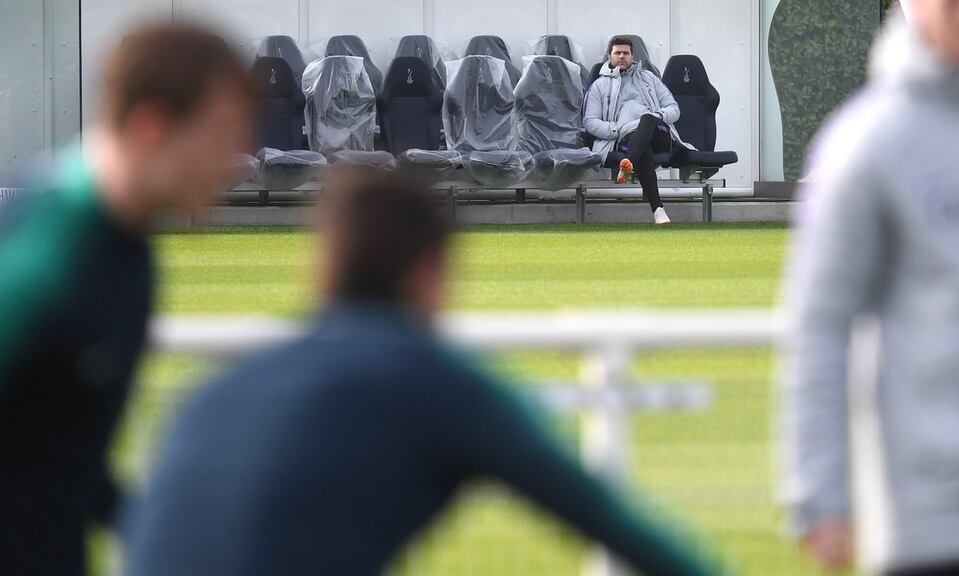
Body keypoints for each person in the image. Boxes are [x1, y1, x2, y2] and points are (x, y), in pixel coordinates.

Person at [126, 167, 724, 576]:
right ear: (428, 273)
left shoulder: (216, 385)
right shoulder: (433, 382)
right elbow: (605, 520)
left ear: (322, 270)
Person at [781, 1, 959, 575]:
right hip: (931, 522)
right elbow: (820, 326)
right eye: (955, 3)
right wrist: (821, 496)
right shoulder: (871, 142)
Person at [0, 22, 252, 576]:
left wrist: (157, 530)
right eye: (223, 133)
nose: (236, 160)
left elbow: (61, 461)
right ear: (152, 127)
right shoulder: (45, 251)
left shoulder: (130, 255)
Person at [584, 35, 693, 226]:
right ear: (609, 56)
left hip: (659, 133)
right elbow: (590, 121)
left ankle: (628, 163)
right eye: (617, 53)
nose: (622, 56)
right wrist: (617, 129)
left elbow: (673, 108)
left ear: (632, 56)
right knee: (643, 149)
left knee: (647, 119)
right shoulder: (599, 86)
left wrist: (657, 116)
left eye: (626, 53)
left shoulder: (649, 79)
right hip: (626, 137)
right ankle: (658, 210)